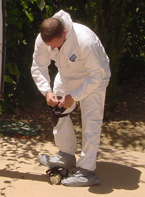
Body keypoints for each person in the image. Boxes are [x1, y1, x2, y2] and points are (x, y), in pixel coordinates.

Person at [31, 10, 111, 187]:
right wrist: (47, 92)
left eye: (54, 45)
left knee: (91, 122)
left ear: (64, 33)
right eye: (48, 45)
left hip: (95, 79)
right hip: (66, 76)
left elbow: (96, 75)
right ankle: (66, 155)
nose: (51, 49)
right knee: (57, 111)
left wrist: (73, 97)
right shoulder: (43, 39)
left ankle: (87, 171)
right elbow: (38, 66)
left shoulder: (84, 40)